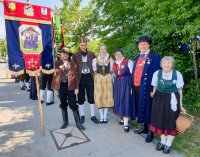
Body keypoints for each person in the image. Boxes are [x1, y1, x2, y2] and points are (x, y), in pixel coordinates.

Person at [150, 56, 186, 154]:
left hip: (172, 100)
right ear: (161, 64)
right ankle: (162, 141)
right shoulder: (157, 73)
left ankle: (168, 144)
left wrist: (180, 105)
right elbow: (155, 87)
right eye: (164, 63)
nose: (166, 65)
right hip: (159, 99)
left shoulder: (177, 74)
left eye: (169, 63)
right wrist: (154, 98)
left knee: (171, 122)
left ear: (172, 65)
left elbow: (180, 90)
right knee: (159, 120)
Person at [132, 36, 160, 142]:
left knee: (149, 109)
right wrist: (131, 87)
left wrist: (154, 89)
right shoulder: (137, 58)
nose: (142, 45)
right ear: (138, 46)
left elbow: (157, 74)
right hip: (137, 87)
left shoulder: (154, 57)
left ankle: (151, 132)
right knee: (140, 107)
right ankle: (144, 128)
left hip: (148, 88)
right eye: (140, 44)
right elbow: (133, 73)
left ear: (149, 45)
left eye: (145, 44)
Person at [52, 47, 85, 130]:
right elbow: (54, 74)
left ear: (68, 55)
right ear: (61, 54)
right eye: (63, 53)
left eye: (66, 54)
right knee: (63, 104)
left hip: (71, 86)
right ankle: (65, 122)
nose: (65, 55)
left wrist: (77, 88)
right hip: (61, 86)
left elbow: (77, 77)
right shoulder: (56, 63)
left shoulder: (73, 63)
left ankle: (78, 123)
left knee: (73, 104)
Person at [73, 37, 99, 124]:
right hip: (80, 78)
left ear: (87, 45)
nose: (83, 46)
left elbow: (97, 65)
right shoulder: (75, 55)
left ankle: (92, 115)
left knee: (91, 96)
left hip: (89, 77)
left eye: (85, 45)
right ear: (79, 45)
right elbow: (73, 68)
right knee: (80, 97)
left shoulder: (92, 54)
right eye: (82, 45)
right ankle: (82, 115)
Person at [92, 45, 114, 123]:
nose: (103, 50)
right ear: (99, 50)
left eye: (104, 49)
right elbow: (94, 69)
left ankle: (105, 116)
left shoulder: (110, 59)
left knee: (106, 96)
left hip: (107, 78)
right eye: (101, 49)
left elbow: (112, 70)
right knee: (99, 96)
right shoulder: (95, 59)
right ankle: (101, 115)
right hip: (98, 79)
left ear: (106, 50)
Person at [113, 49, 133, 132]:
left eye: (119, 54)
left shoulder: (128, 62)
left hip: (126, 84)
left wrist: (131, 87)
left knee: (125, 102)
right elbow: (114, 75)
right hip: (118, 84)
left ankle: (126, 124)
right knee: (119, 101)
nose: (118, 55)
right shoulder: (114, 63)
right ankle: (122, 119)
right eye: (116, 54)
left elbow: (132, 74)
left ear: (122, 54)